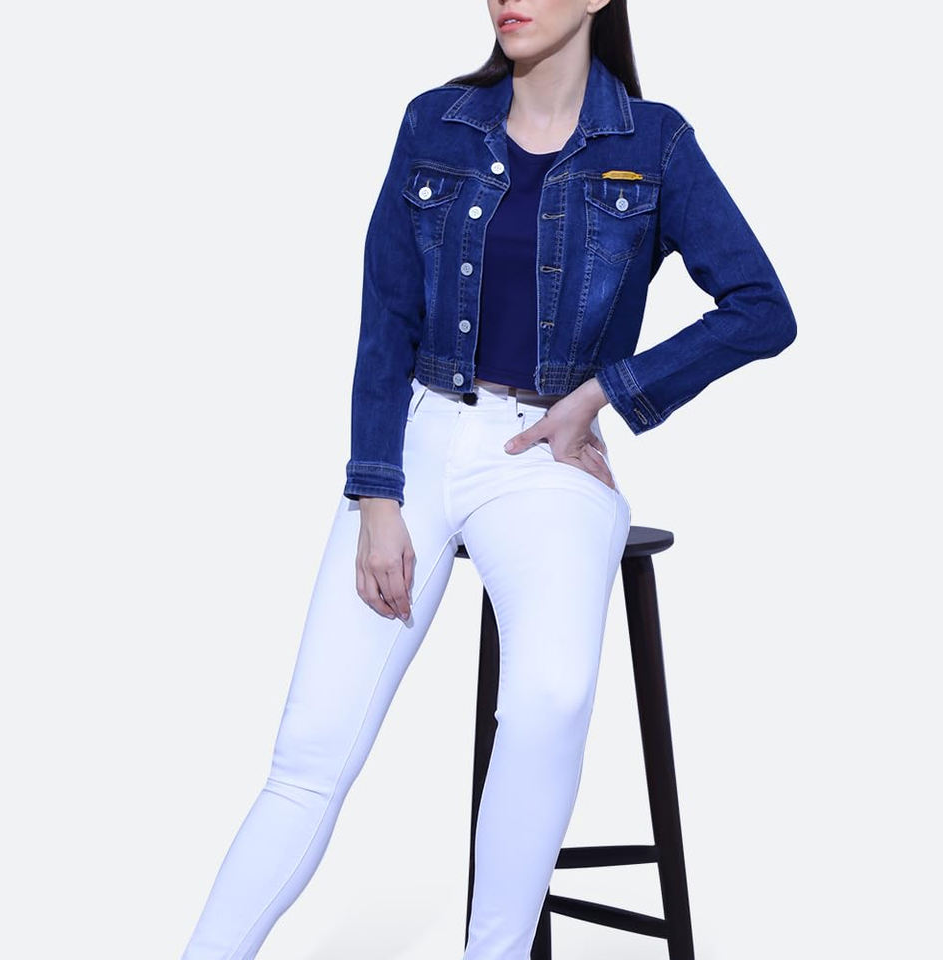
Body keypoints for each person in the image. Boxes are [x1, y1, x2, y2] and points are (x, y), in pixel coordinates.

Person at [179, 1, 797, 958]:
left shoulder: (655, 143)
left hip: (547, 457)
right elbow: (386, 319)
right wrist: (376, 494)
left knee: (550, 700)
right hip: (421, 440)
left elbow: (762, 308)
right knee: (309, 752)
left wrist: (606, 393)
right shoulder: (437, 123)